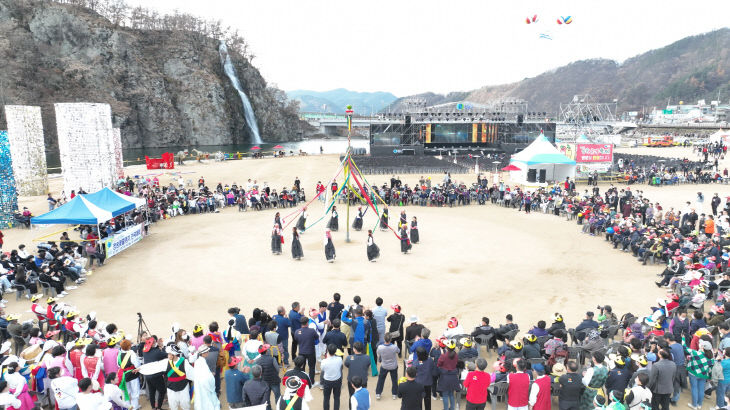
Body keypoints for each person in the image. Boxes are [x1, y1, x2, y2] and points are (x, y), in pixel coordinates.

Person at [682, 336, 713, 410]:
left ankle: (694, 405)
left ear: (702, 347)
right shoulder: (711, 357)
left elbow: (684, 347)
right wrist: (709, 377)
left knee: (694, 388)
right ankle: (700, 404)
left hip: (693, 373)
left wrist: (683, 338)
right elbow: (711, 368)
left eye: (700, 344)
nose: (699, 344)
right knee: (701, 389)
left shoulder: (696, 353)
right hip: (703, 375)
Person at [193, 346, 220, 410]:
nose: (208, 353)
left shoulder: (198, 361)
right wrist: (211, 374)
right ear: (203, 354)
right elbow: (207, 378)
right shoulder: (202, 362)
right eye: (207, 352)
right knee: (207, 402)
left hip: (199, 385)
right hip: (204, 387)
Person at [294, 316, 319, 384]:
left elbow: (296, 339)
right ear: (307, 322)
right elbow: (317, 337)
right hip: (311, 351)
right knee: (312, 367)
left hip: (301, 352)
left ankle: (302, 381)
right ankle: (311, 381)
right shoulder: (312, 331)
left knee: (302, 367)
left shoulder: (297, 331)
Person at [375, 333, 400, 400]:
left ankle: (378, 393)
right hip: (393, 366)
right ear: (391, 339)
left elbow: (378, 354)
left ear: (384, 339)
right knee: (394, 380)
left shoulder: (380, 347)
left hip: (384, 366)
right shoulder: (394, 347)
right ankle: (394, 394)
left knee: (381, 380)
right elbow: (398, 351)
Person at [437, 340, 460, 410]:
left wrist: (441, 355)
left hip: (445, 378)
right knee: (451, 394)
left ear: (447, 348)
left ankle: (446, 409)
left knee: (445, 395)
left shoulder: (443, 356)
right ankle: (452, 408)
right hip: (453, 377)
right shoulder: (456, 355)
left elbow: (438, 364)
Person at [321, 343, 344, 410]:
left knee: (326, 398)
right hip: (337, 380)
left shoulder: (324, 361)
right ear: (335, 351)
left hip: (327, 381)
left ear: (327, 350)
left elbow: (323, 369)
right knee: (337, 397)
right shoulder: (339, 359)